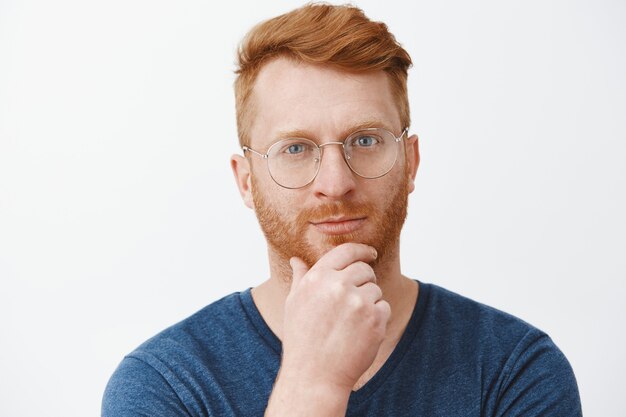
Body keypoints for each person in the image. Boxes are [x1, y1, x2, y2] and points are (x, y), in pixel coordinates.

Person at [102, 3, 581, 416]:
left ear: (410, 163)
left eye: (366, 140)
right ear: (246, 181)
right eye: (295, 149)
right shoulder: (165, 385)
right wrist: (311, 387)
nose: (335, 183)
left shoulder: (514, 369)